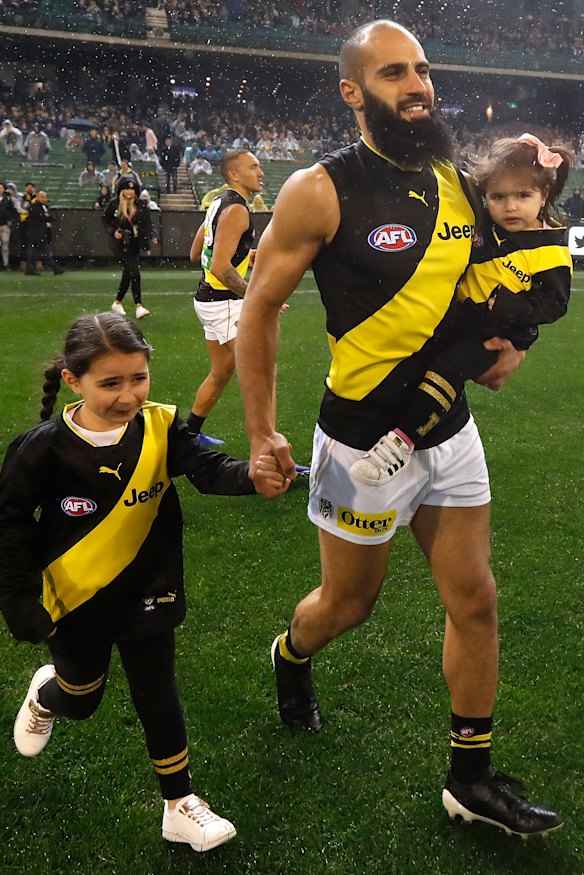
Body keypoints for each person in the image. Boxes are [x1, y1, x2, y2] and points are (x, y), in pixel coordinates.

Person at [235, 20, 563, 839]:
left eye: (421, 68)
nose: (417, 84)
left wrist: (517, 342)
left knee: (475, 598)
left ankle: (470, 778)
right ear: (353, 91)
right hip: (358, 440)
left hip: (446, 426)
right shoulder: (319, 189)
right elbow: (260, 308)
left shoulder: (458, 181)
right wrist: (261, 431)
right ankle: (291, 651)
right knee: (349, 604)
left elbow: (508, 270)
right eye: (393, 73)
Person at [0, 312, 285, 854]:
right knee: (82, 699)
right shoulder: (41, 449)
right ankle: (47, 695)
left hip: (150, 587)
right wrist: (17, 602)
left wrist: (252, 475)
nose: (128, 395)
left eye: (139, 378)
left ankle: (179, 804)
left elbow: (208, 468)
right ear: (73, 380)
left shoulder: (160, 427)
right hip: (75, 601)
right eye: (110, 383)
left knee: (157, 689)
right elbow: (9, 526)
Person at [350, 133, 574, 485]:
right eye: (498, 197)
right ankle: (392, 427)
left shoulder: (551, 250)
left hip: (497, 333)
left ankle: (398, 446)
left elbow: (555, 305)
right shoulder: (485, 225)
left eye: (522, 196)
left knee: (449, 368)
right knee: (418, 358)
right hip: (462, 318)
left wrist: (508, 307)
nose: (510, 206)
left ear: (544, 195)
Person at [187, 149, 264, 443]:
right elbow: (220, 267)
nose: (260, 173)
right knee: (261, 373)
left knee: (222, 372)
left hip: (208, 300)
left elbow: (197, 252)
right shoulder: (237, 210)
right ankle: (267, 448)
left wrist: (244, 254)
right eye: (253, 167)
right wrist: (256, 297)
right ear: (234, 174)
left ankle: (189, 435)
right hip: (225, 303)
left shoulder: (219, 201)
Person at [103, 177, 158, 319]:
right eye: (126, 189)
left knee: (128, 272)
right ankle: (138, 305)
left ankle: (117, 302)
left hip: (134, 242)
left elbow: (147, 222)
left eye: (132, 189)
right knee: (134, 271)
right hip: (120, 243)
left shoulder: (140, 205)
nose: (129, 192)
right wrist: (113, 231)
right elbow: (105, 220)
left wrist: (152, 235)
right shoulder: (114, 204)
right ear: (121, 190)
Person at [25, 191, 65, 276]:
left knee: (33, 252)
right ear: (37, 197)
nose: (44, 199)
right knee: (45, 252)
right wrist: (48, 217)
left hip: (40, 233)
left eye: (45, 197)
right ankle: (55, 268)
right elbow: (42, 217)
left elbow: (47, 217)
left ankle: (30, 269)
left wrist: (48, 217)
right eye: (42, 197)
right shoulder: (34, 207)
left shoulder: (42, 207)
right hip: (36, 233)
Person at [0, 180, 19, 270]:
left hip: (4, 225)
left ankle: (5, 264)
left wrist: (10, 220)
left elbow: (14, 212)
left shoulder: (8, 200)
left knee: (5, 245)